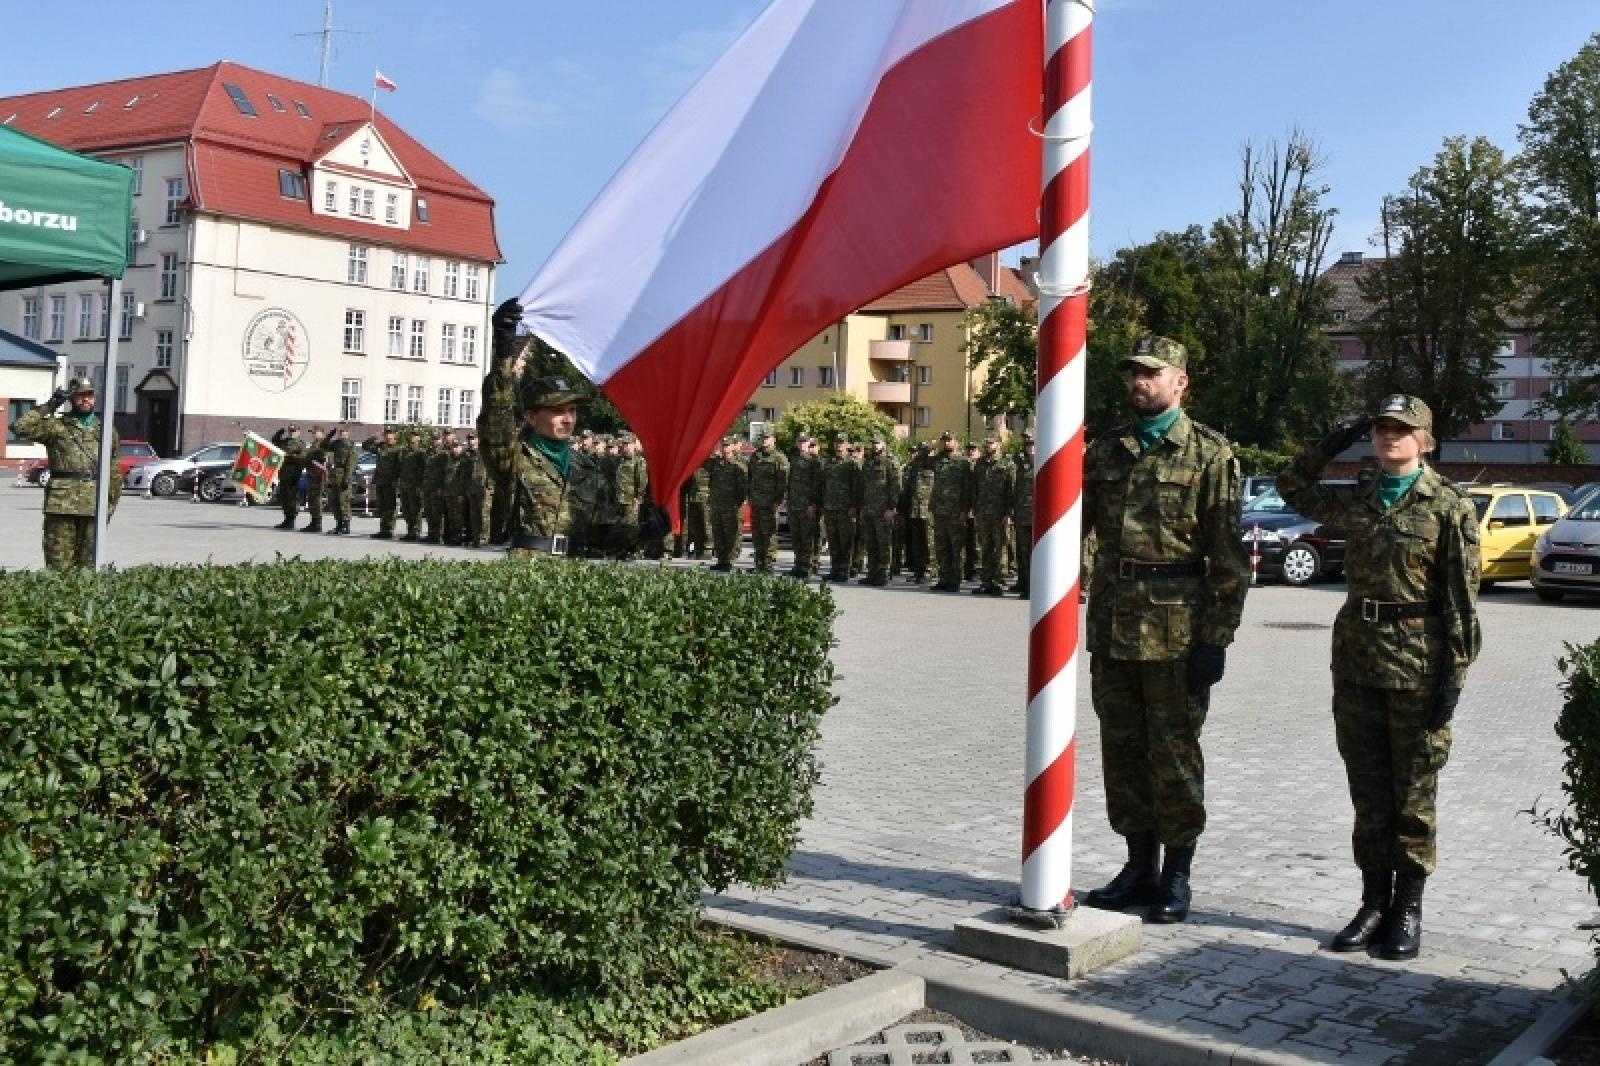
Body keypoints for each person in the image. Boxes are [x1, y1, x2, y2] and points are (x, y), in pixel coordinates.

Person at [1278, 395, 1481, 960]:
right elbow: (1291, 486)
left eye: (1402, 428)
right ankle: (1373, 903)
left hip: (1418, 666)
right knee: (1367, 791)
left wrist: (1455, 674)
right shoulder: (1361, 496)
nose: (1390, 435)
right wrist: (1329, 445)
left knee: (1413, 793)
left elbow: (1462, 598)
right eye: (1382, 427)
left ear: (1425, 440)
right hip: (1358, 661)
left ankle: (1408, 908)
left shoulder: (1448, 505)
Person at [1081, 336, 1249, 924]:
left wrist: (1216, 639)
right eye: (1133, 372)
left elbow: (1229, 559)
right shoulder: (1106, 452)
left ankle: (1177, 872)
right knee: (1122, 751)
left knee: (1174, 755)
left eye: (1151, 373)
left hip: (1177, 631)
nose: (1139, 381)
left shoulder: (1210, 454)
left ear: (1180, 382)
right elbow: (1071, 527)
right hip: (1114, 623)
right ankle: (1138, 867)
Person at [13, 377, 122, 569]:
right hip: (62, 504)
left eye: (89, 395)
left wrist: (110, 504)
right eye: (80, 395)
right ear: (71, 399)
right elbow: (19, 427)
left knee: (89, 567)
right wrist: (49, 406)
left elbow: (113, 470)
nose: (85, 399)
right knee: (58, 564)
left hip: (94, 505)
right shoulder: (56, 426)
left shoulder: (106, 431)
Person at [970, 436, 1015, 595]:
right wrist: (975, 510)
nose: (988, 445)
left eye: (991, 443)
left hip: (999, 513)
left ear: (998, 444)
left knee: (1000, 548)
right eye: (987, 443)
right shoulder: (981, 464)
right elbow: (975, 488)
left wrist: (1009, 513)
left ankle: (998, 582)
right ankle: (986, 581)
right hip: (983, 513)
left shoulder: (1007, 464)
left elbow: (1011, 490)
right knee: (985, 548)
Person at [928, 431, 970, 592]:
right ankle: (943, 578)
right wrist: (932, 445)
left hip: (955, 511)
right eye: (944, 440)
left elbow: (967, 488)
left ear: (956, 442)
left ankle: (955, 580)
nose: (947, 443)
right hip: (939, 510)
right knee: (941, 547)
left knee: (956, 547)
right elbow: (920, 461)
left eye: (949, 440)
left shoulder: (963, 462)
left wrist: (965, 510)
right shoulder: (938, 460)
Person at [858, 435, 900, 586]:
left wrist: (891, 508)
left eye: (878, 443)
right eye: (873, 443)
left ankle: (883, 573)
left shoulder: (890, 461)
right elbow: (863, 486)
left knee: (883, 543)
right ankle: (872, 573)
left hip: (883, 510)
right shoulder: (868, 462)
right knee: (871, 543)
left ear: (884, 444)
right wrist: (862, 507)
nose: (875, 446)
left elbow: (895, 486)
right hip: (868, 509)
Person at [746, 428, 789, 573]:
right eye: (763, 438)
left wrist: (778, 502)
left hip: (770, 503)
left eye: (767, 438)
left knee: (769, 534)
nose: (765, 440)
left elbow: (783, 482)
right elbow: (750, 477)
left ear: (773, 440)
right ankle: (759, 564)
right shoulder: (755, 456)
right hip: (756, 502)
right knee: (757, 534)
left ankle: (768, 565)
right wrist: (749, 496)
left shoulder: (779, 458)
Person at [822, 435, 862, 583]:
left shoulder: (852, 464)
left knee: (845, 541)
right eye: (837, 443)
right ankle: (834, 569)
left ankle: (844, 571)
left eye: (842, 443)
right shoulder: (828, 463)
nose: (839, 445)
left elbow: (857, 487)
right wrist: (823, 504)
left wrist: (854, 506)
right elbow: (823, 485)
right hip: (830, 507)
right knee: (833, 541)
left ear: (847, 445)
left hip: (845, 509)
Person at [708, 437, 748, 572]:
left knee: (730, 534)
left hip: (730, 506)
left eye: (727, 445)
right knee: (718, 533)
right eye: (723, 445)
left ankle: (729, 561)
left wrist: (737, 503)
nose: (725, 448)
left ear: (732, 447)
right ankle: (721, 560)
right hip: (716, 504)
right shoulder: (716, 463)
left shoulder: (738, 465)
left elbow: (742, 487)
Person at [786, 434, 823, 579]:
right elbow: (790, 482)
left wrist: (813, 504)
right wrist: (788, 500)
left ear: (809, 444)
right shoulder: (793, 460)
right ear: (797, 443)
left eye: (805, 442)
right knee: (796, 537)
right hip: (794, 504)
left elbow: (817, 484)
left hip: (807, 505)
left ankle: (807, 567)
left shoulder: (814, 461)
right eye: (800, 442)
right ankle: (798, 565)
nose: (802, 444)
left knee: (807, 538)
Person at [900, 441, 937, 584]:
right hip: (914, 509)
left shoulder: (934, 464)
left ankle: (930, 570)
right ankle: (918, 571)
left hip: (928, 509)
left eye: (925, 450)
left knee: (929, 542)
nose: (922, 452)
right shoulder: (914, 466)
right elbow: (908, 487)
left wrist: (931, 448)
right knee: (916, 543)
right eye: (921, 450)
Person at [1011, 432, 1036, 598]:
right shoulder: (1019, 463)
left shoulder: (1043, 463)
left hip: (1037, 515)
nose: (1030, 448)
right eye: (1028, 445)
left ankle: (1032, 586)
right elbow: (1014, 488)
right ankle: (1024, 583)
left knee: (1034, 553)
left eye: (1033, 444)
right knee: (1023, 551)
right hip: (1021, 514)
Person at [271, 424, 308, 530]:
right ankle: (286, 519)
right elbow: (274, 443)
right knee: (284, 497)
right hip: (283, 473)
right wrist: (278, 434)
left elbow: (303, 458)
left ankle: (291, 520)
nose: (292, 433)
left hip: (293, 473)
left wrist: (291, 457)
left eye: (294, 431)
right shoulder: (284, 442)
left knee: (292, 498)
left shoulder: (300, 444)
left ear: (299, 432)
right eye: (290, 431)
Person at [368, 427, 402, 539]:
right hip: (380, 481)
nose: (388, 436)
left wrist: (396, 480)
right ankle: (383, 530)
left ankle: (389, 530)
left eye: (390, 434)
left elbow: (399, 466)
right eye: (386, 434)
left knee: (390, 507)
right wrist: (375, 437)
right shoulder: (381, 447)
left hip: (390, 482)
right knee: (382, 507)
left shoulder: (398, 449)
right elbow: (365, 446)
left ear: (394, 436)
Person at [323, 425, 357, 535]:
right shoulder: (336, 444)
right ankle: (338, 524)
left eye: (344, 432)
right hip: (335, 475)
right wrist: (329, 436)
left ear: (348, 433)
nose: (342, 433)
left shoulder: (350, 446)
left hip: (343, 475)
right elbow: (324, 446)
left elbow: (351, 463)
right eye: (341, 432)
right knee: (335, 501)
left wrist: (347, 478)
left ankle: (346, 526)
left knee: (344, 501)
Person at [680, 452, 714, 559]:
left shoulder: (711, 462)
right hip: (693, 497)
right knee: (694, 525)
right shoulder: (692, 462)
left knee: (706, 524)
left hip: (706, 497)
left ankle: (708, 549)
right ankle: (698, 549)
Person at [398, 431, 428, 541]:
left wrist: (420, 485)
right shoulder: (404, 451)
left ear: (419, 438)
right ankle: (410, 531)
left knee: (415, 510)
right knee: (406, 510)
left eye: (415, 436)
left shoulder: (421, 453)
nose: (413, 437)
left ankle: (415, 532)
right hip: (404, 485)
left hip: (415, 485)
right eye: (412, 435)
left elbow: (423, 470)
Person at [301, 428, 332, 533]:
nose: (313, 434)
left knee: (316, 498)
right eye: (312, 433)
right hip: (312, 474)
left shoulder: (323, 444)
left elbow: (324, 458)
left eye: (315, 432)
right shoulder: (314, 444)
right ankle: (313, 521)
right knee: (312, 498)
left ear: (321, 433)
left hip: (319, 474)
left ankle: (317, 523)